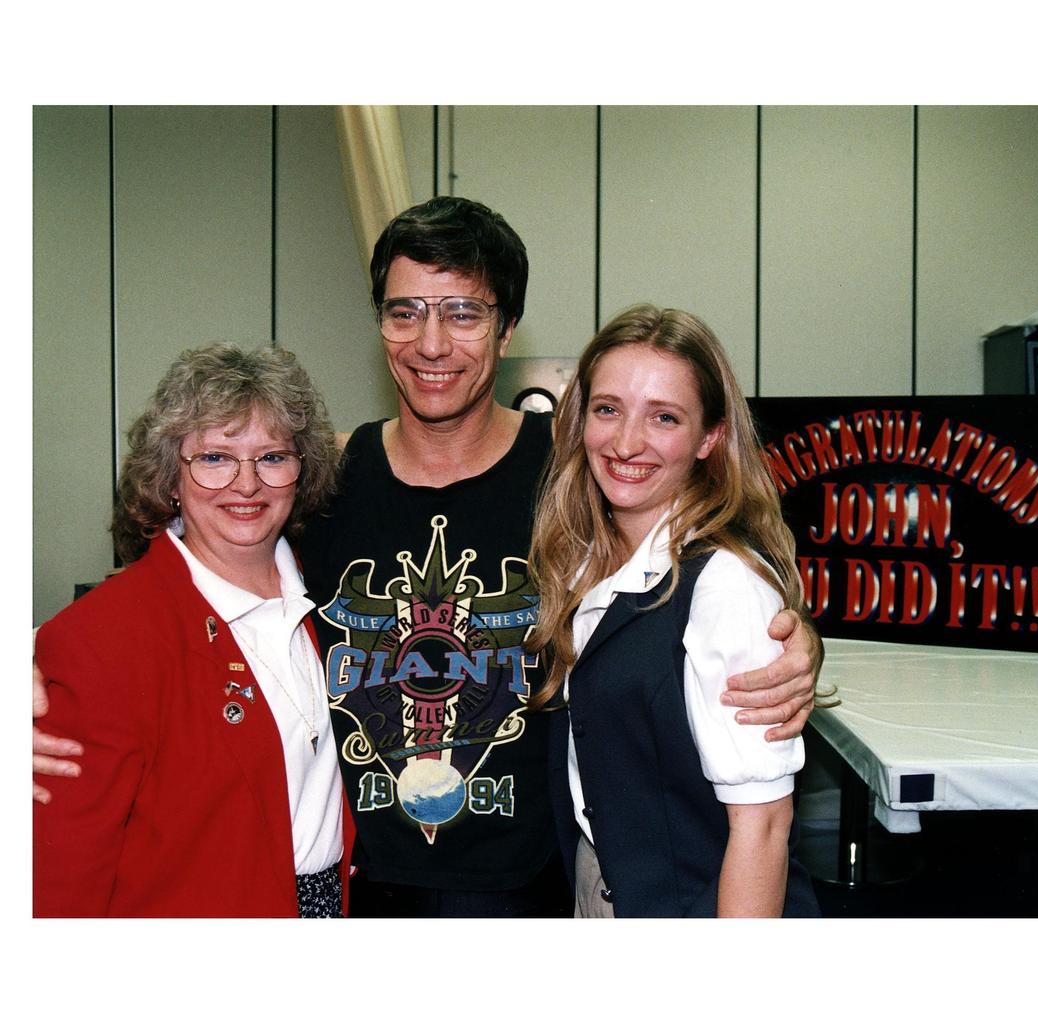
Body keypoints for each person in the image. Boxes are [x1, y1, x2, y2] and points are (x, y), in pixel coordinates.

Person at [34, 196, 822, 918]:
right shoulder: (318, 484)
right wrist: (35, 676)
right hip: (359, 890)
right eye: (405, 312)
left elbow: (684, 576)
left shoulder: (578, 477)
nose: (432, 343)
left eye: (463, 314)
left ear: (507, 328)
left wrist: (798, 639)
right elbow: (176, 594)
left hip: (536, 895)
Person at [33, 344, 349, 917]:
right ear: (169, 477)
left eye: (272, 456)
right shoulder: (101, 638)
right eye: (213, 458)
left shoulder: (326, 597)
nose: (246, 484)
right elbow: (60, 878)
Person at [528, 305, 820, 917]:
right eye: (608, 409)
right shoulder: (586, 561)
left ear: (709, 437)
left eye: (664, 417)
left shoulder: (726, 586)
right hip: (600, 883)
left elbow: (763, 827)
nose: (626, 442)